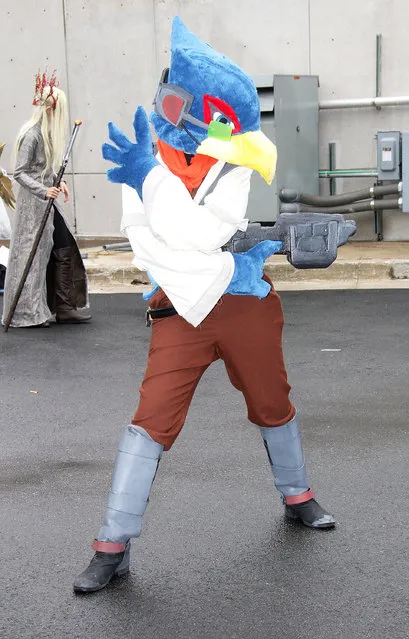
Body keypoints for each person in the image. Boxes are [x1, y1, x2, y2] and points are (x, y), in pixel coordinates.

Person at [73, 17, 335, 594]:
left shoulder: (228, 166)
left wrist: (202, 234)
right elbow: (149, 240)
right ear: (178, 106)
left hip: (241, 300)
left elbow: (194, 233)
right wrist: (158, 191)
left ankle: (299, 497)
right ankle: (112, 543)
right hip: (180, 310)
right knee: (151, 420)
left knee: (272, 401)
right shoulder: (135, 158)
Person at [1, 71, 91, 328]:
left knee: (56, 246)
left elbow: (43, 169)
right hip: (34, 206)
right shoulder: (32, 135)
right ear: (51, 110)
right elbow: (20, 172)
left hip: (45, 203)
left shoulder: (44, 134)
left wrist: (56, 181)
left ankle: (62, 305)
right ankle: (28, 312)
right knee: (32, 256)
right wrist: (43, 190)